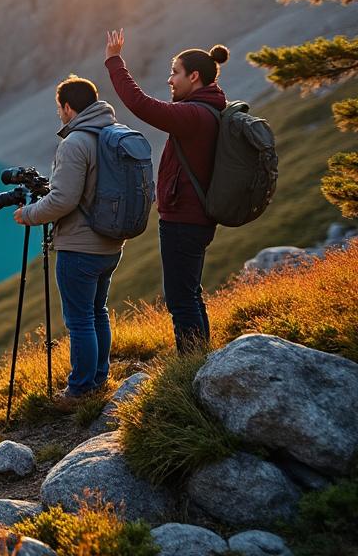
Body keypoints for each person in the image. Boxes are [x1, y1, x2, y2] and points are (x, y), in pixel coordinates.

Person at [105, 29, 229, 353]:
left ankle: (191, 367)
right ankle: (200, 361)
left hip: (184, 219)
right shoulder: (210, 110)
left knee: (180, 299)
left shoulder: (193, 115)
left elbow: (141, 105)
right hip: (195, 216)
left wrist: (114, 62)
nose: (170, 80)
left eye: (175, 72)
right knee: (190, 293)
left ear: (195, 76)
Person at [12, 76, 126, 399]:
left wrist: (29, 215)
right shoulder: (111, 135)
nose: (59, 115)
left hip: (79, 247)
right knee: (97, 311)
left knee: (79, 320)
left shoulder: (75, 142)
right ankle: (99, 379)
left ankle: (78, 391)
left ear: (67, 107)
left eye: (59, 108)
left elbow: (63, 200)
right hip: (110, 244)